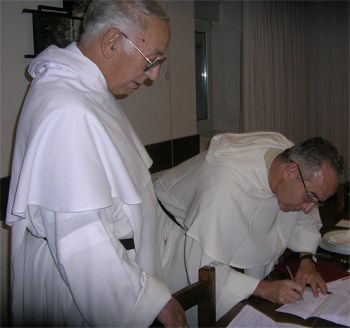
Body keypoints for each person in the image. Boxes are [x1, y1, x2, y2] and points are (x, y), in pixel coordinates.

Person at [5, 1, 188, 326]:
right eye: (152, 59)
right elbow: (81, 242)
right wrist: (154, 303)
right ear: (113, 42)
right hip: (83, 295)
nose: (155, 75)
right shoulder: (66, 110)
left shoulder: (87, 90)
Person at [155, 131, 344, 321]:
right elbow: (206, 271)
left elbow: (304, 219)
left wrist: (307, 261)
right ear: (290, 171)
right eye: (310, 197)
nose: (308, 208)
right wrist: (264, 289)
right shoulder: (223, 189)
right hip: (180, 238)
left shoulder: (288, 160)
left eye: (318, 201)